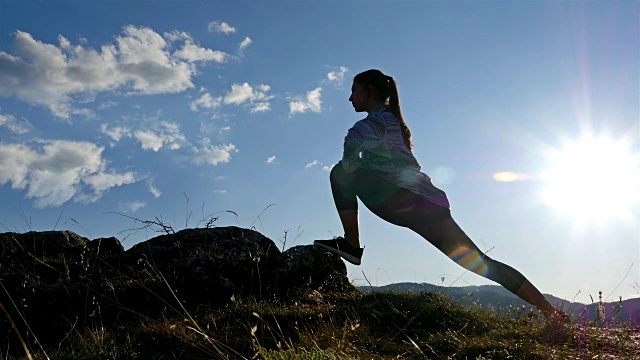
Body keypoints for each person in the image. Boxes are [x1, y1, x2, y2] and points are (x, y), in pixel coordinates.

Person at [314, 69, 559, 317]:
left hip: (404, 201)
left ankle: (352, 244)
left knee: (338, 172)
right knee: (483, 264)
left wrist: (361, 162)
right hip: (430, 205)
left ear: (371, 91)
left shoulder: (367, 126)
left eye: (354, 91)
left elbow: (348, 166)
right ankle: (553, 313)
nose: (350, 98)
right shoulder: (394, 122)